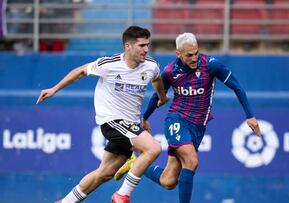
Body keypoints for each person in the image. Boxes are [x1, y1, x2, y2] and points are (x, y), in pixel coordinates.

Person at [115, 33, 261, 203]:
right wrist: (145, 118)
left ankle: (133, 163)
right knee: (191, 161)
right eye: (189, 55)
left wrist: (250, 116)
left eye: (196, 53)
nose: (194, 58)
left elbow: (237, 88)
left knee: (168, 181)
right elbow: (157, 96)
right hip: (177, 120)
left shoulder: (211, 65)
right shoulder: (170, 72)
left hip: (198, 127)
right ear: (179, 54)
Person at [36, 25, 168, 203]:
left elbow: (157, 80)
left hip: (130, 126)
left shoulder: (151, 66)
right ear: (127, 46)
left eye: (147, 45)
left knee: (104, 173)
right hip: (112, 122)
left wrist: (162, 97)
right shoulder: (110, 64)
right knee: (153, 148)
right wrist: (54, 89)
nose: (146, 49)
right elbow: (81, 71)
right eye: (141, 45)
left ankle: (65, 202)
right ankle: (122, 195)